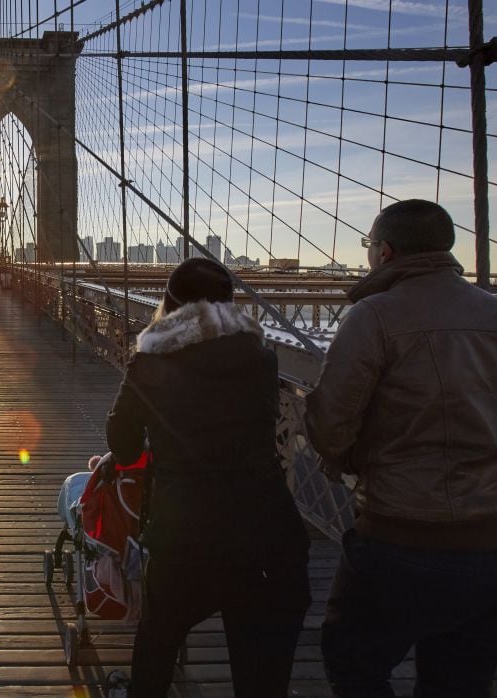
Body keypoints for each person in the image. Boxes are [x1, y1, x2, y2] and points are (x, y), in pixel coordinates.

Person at [304, 199, 497, 697]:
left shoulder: (373, 317)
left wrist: (364, 461)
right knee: (461, 684)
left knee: (355, 665)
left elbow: (330, 429)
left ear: (384, 252)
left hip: (410, 541)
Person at [104, 256, 311, 697]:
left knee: (158, 638)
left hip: (187, 535)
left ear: (170, 306)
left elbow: (122, 443)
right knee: (260, 673)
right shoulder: (262, 359)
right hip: (268, 535)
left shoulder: (151, 361)